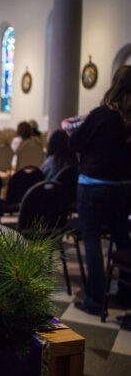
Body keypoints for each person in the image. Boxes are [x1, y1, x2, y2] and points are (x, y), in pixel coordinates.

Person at [64, 65, 131, 315]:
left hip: (94, 185)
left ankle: (94, 300)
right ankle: (125, 292)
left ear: (114, 84)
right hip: (123, 187)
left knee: (91, 240)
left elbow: (75, 142)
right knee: (122, 237)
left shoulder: (102, 114)